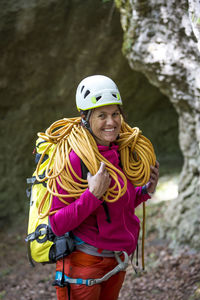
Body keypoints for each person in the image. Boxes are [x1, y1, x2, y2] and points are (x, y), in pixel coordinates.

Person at [49, 75, 159, 300]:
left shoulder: (120, 152)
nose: (111, 122)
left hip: (117, 260)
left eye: (115, 113)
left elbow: (117, 204)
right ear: (85, 118)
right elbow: (57, 224)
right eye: (102, 115)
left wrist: (144, 191)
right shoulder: (74, 160)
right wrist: (93, 195)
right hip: (85, 264)